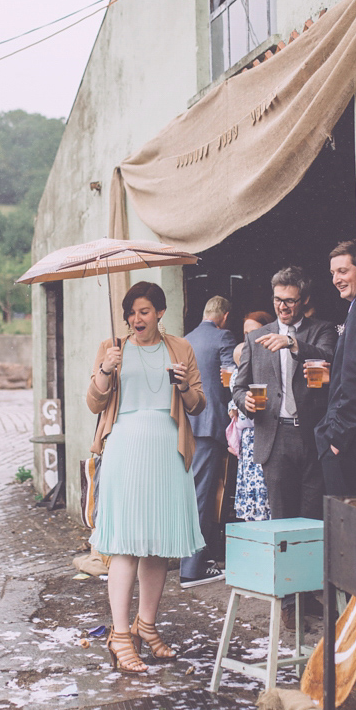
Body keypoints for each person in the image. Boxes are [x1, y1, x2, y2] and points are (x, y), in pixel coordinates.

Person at [87, 281, 206, 673]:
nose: (136, 319)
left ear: (159, 313)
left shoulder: (181, 349)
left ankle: (148, 626)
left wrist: (184, 385)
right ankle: (121, 635)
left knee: (157, 545)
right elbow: (94, 402)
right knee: (125, 543)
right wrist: (106, 369)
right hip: (125, 448)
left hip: (168, 451)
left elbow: (197, 404)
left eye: (143, 311)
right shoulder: (113, 349)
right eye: (131, 312)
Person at [232, 266, 337, 628]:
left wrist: (293, 344)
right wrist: (244, 399)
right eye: (277, 300)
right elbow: (238, 384)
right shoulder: (257, 337)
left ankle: (309, 597)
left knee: (310, 523)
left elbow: (328, 359)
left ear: (303, 300)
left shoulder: (319, 331)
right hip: (273, 439)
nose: (282, 308)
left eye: (290, 301)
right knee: (282, 523)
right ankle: (289, 604)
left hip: (309, 436)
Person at [179, 296, 237, 588]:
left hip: (187, 425)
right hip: (210, 424)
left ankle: (199, 557)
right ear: (224, 317)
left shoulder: (186, 340)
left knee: (192, 493)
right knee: (203, 496)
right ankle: (192, 567)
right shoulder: (223, 336)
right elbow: (230, 377)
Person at [314, 241, 356, 498]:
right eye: (333, 273)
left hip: (346, 443)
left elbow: (355, 377)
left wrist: (337, 439)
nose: (336, 279)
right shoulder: (354, 308)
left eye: (343, 271)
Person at [230, 311, 275, 522]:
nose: (248, 337)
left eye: (253, 332)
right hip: (249, 439)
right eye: (245, 332)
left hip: (267, 434)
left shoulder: (274, 360)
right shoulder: (242, 361)